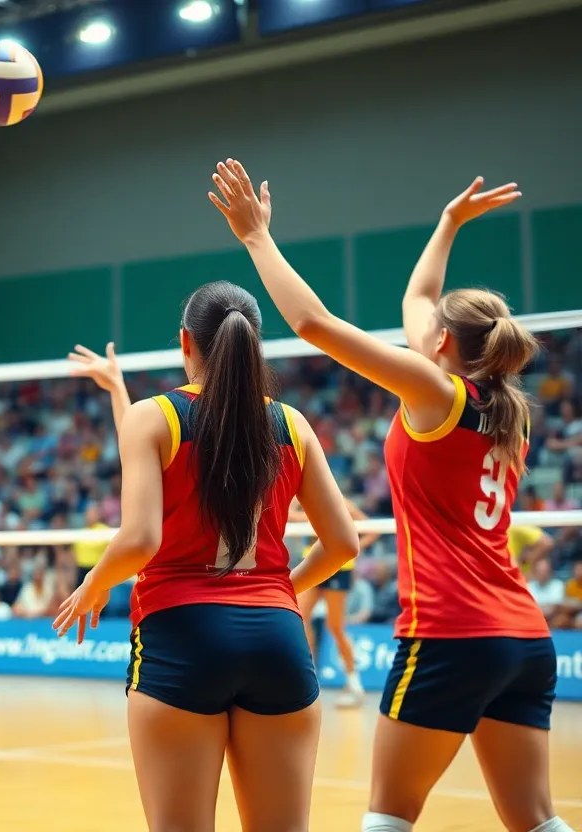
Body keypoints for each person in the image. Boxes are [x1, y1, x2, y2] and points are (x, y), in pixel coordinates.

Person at [210, 160, 570, 832]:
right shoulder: (506, 411)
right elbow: (419, 300)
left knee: (389, 815)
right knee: (536, 820)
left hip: (450, 632)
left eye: (428, 327)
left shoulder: (437, 393)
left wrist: (256, 238)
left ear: (438, 343)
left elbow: (314, 324)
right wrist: (447, 224)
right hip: (522, 636)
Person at [53, 287, 359, 831]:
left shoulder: (154, 417)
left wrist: (95, 582)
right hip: (277, 639)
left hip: (182, 636)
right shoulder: (293, 425)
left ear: (185, 343)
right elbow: (342, 545)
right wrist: (280, 589)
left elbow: (140, 538)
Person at [290, 499, 381, 707]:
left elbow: (372, 529)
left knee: (335, 626)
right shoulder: (305, 502)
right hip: (313, 563)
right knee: (299, 619)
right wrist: (299, 502)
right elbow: (289, 517)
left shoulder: (342, 504)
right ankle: (307, 679)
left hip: (339, 567)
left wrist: (352, 547)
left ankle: (354, 683)